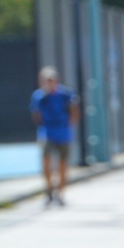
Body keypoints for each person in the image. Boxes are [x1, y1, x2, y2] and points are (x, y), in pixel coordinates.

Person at [29, 66, 79, 207]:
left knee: (63, 163)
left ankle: (61, 192)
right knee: (46, 160)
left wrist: (67, 124)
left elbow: (74, 112)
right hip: (47, 132)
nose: (48, 83)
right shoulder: (39, 96)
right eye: (45, 80)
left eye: (50, 80)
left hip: (63, 132)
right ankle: (49, 189)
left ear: (56, 81)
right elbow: (36, 114)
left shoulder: (66, 94)